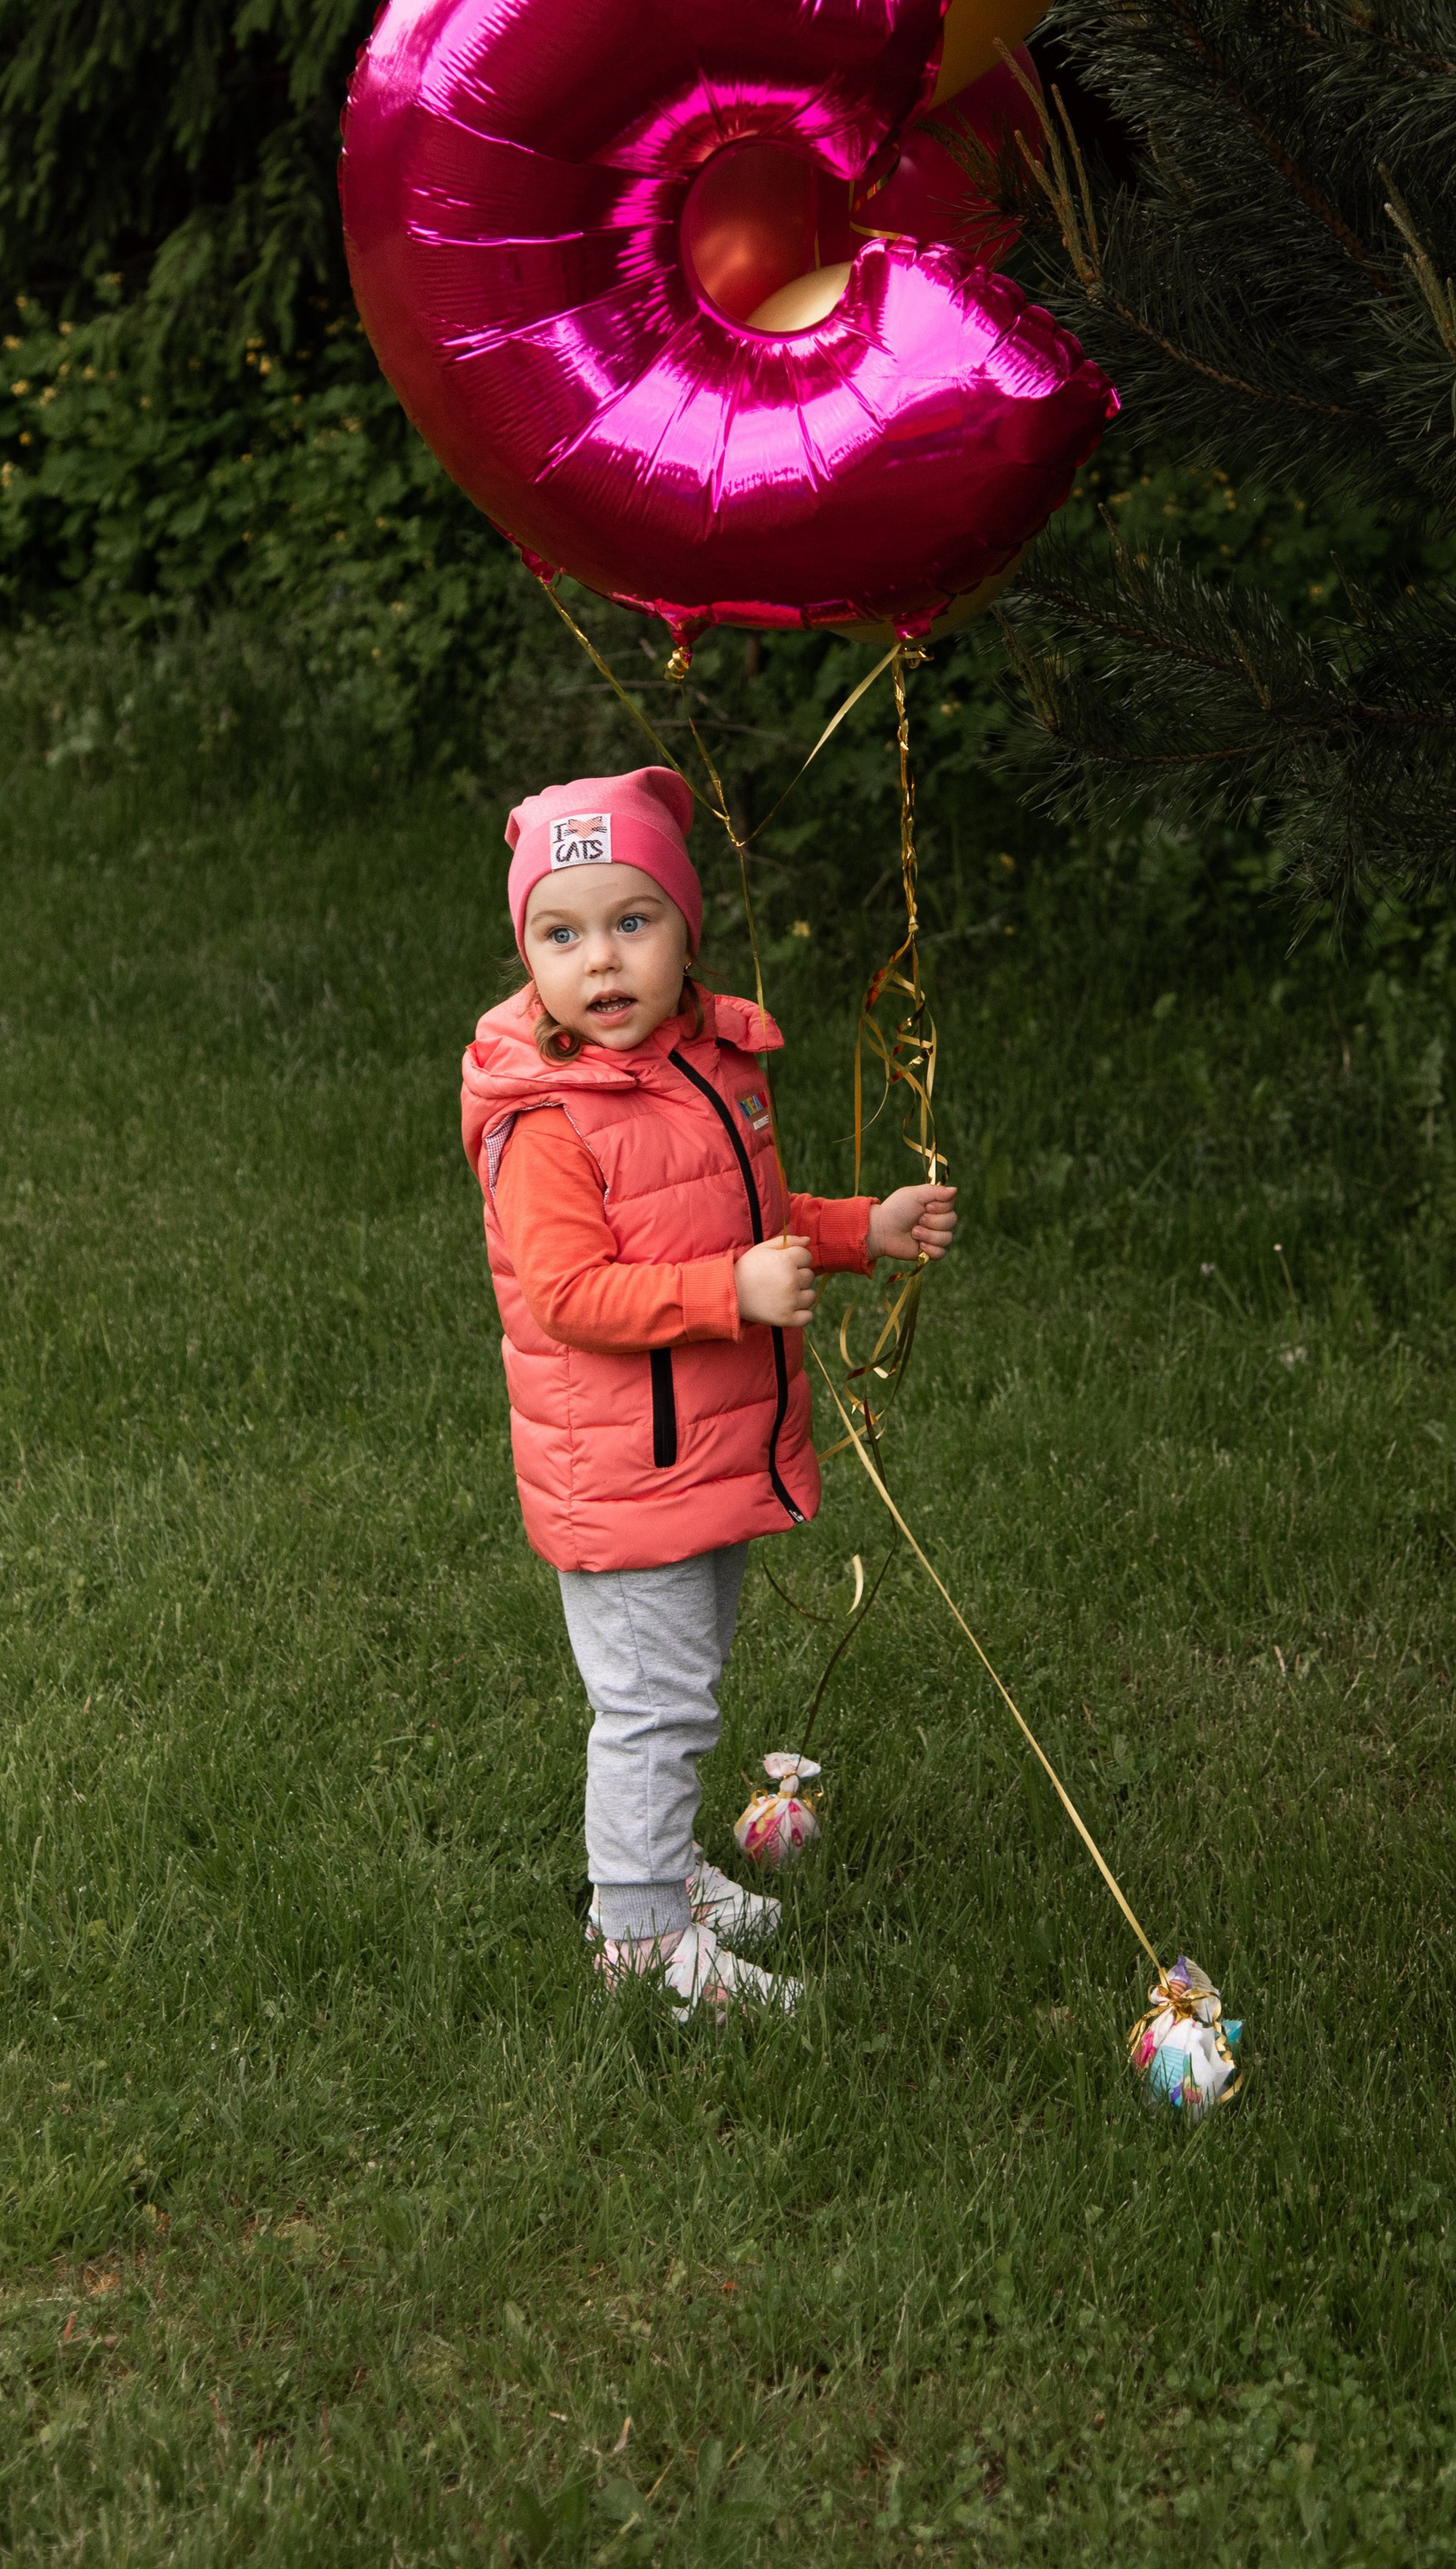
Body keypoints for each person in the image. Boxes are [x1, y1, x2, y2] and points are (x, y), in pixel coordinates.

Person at [460, 765, 956, 2017]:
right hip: (625, 1471)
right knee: (651, 1707)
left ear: (688, 929)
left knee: (688, 1686)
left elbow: (752, 1215)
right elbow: (570, 1292)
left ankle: (666, 1869)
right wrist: (726, 1294)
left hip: (704, 1455)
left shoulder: (705, 1063)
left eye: (635, 921)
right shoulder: (548, 1120)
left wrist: (860, 1231)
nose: (604, 960)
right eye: (562, 934)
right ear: (528, 953)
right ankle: (637, 1939)